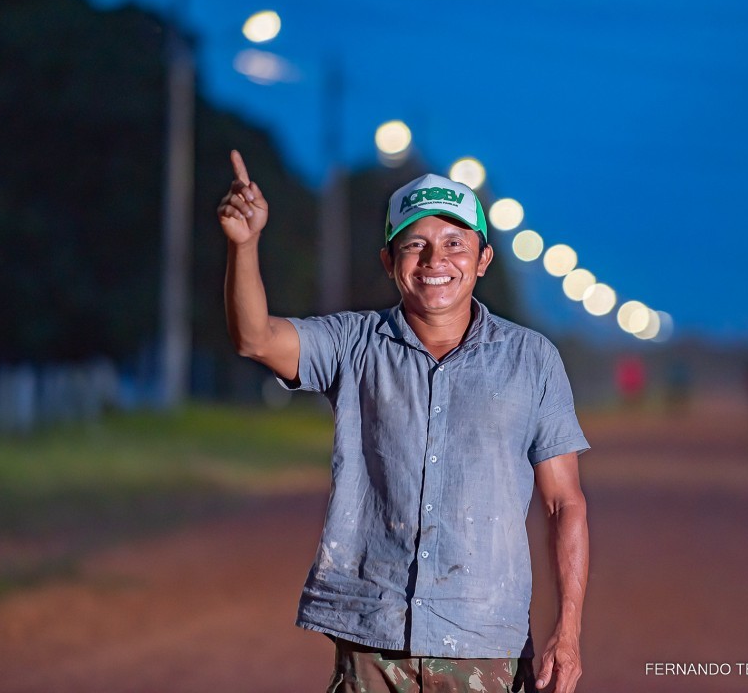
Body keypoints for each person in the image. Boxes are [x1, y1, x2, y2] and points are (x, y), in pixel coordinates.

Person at [218, 150, 590, 693]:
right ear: (390, 262)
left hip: (484, 641)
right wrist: (244, 245)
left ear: (483, 259)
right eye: (415, 245)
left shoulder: (532, 360)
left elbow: (564, 502)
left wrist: (569, 630)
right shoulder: (353, 343)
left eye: (454, 244)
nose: (435, 260)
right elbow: (254, 337)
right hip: (373, 632)